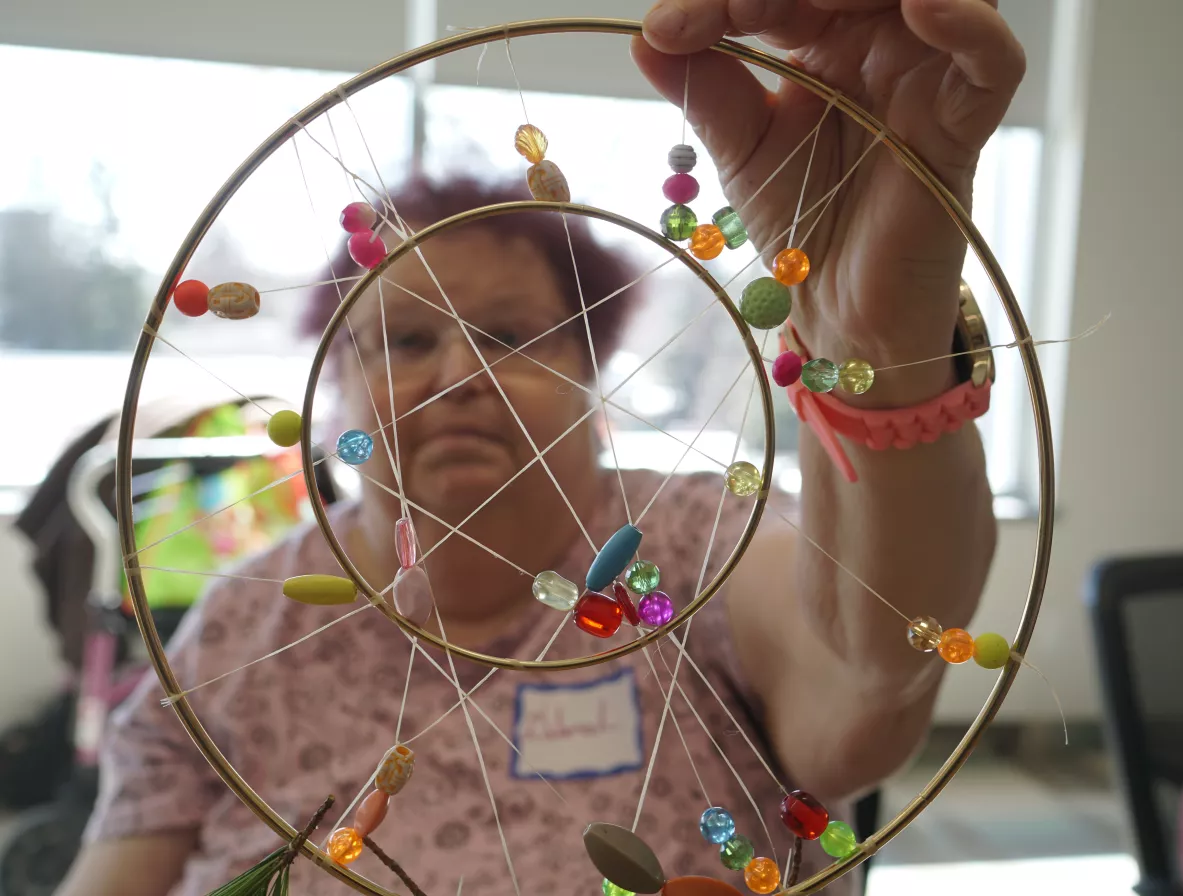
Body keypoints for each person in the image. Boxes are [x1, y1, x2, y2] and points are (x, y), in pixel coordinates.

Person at [58, 1, 1020, 894]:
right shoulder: (245, 625)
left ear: (591, 373)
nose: (459, 374)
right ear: (334, 386)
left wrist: (877, 337)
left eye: (512, 336)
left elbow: (874, 668)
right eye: (405, 340)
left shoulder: (690, 547)